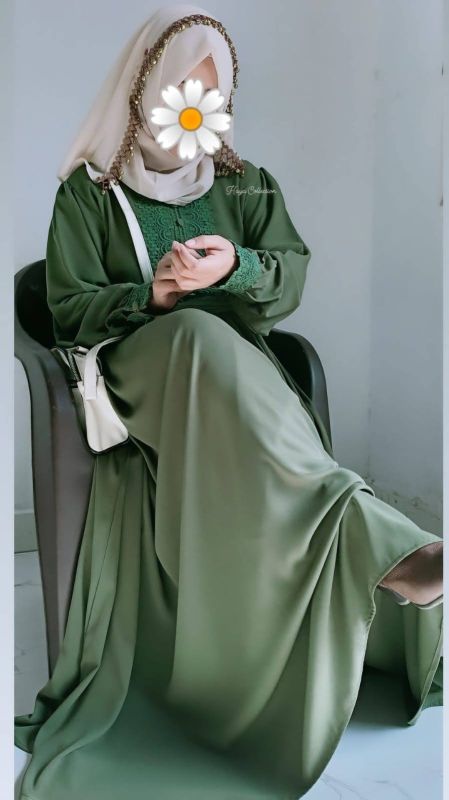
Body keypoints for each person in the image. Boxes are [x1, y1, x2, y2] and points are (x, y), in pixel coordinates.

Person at [14, 5, 443, 799]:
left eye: (212, 96)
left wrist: (232, 267)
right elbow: (66, 309)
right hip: (141, 368)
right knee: (195, 334)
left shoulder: (243, 182)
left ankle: (362, 545)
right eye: (183, 90)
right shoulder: (90, 192)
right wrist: (154, 294)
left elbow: (288, 273)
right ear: (144, 88)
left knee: (221, 347)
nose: (197, 110)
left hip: (234, 377)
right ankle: (382, 545)